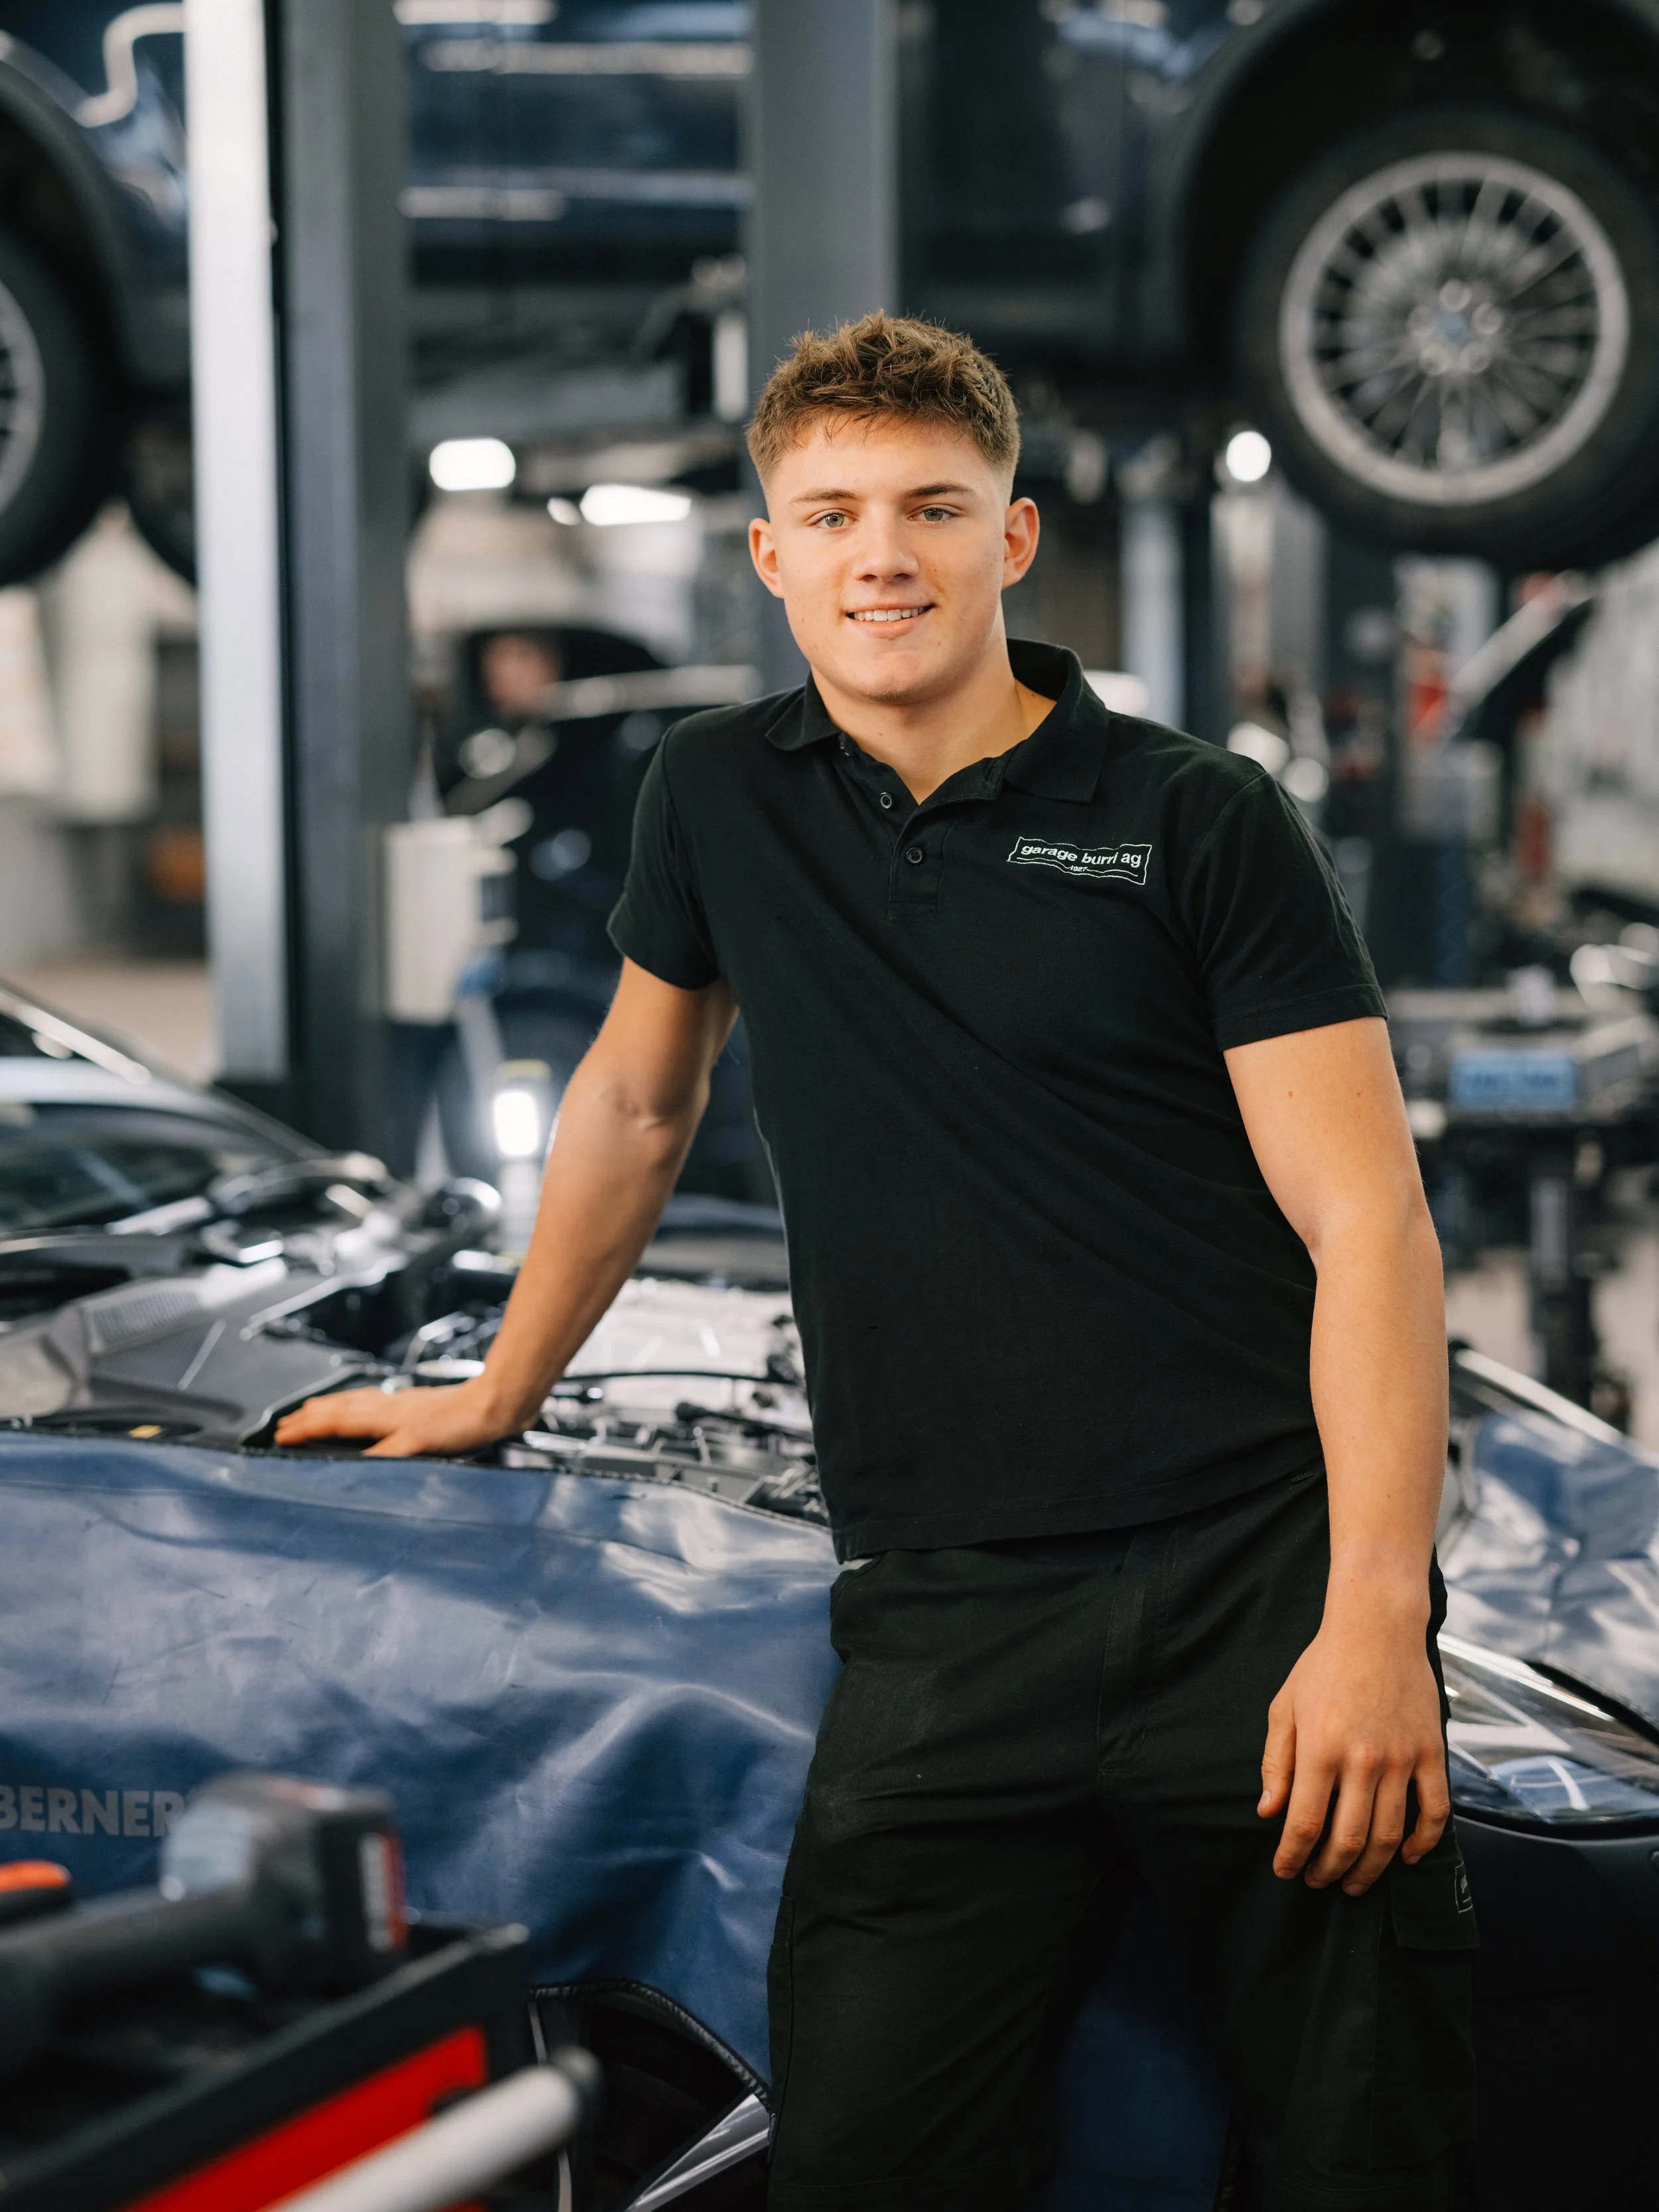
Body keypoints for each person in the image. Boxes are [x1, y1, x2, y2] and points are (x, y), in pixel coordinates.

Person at [277, 313, 1474, 2210]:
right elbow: (634, 1107)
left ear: (1009, 538)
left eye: (930, 505)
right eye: (827, 512)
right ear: (769, 554)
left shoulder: (1191, 817)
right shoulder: (718, 795)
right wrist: (502, 1384)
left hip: (1252, 1584)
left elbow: (1367, 1226)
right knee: (869, 2154)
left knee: (1363, 2149)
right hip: (938, 1614)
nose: (878, 553)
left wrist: (1368, 1619)